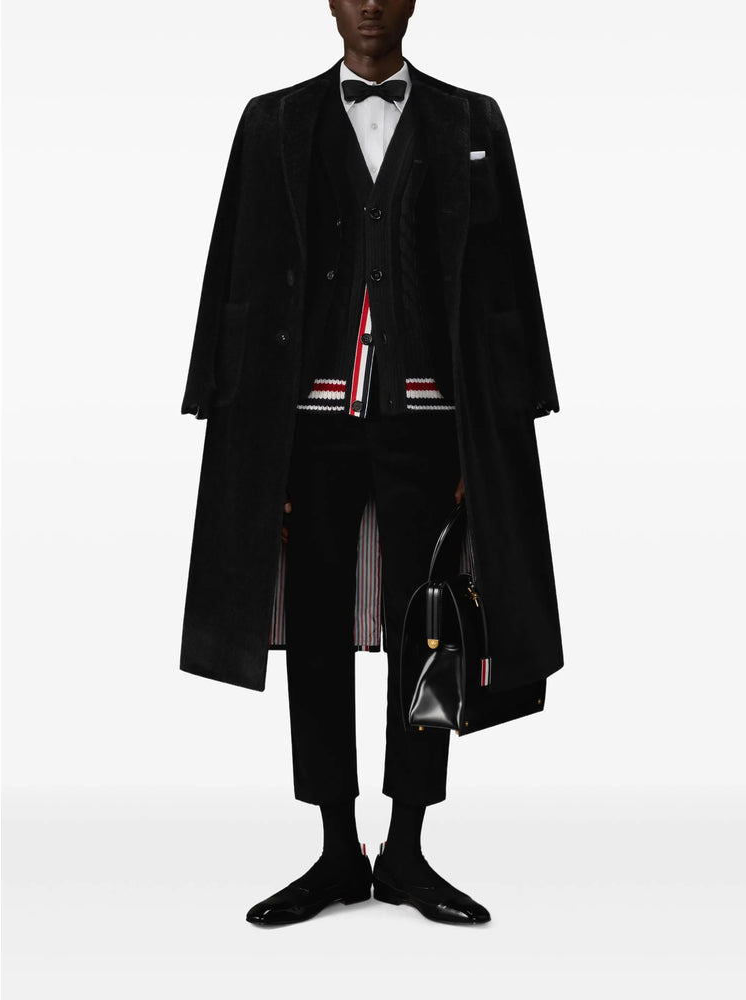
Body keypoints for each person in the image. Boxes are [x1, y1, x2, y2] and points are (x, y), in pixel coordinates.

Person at [179, 0, 562, 927]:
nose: (370, 7)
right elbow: (234, 263)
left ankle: (409, 850)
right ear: (329, 2)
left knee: (429, 633)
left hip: (430, 422)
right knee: (313, 631)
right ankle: (336, 851)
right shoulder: (271, 121)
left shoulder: (472, 119)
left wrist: (501, 426)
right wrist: (228, 416)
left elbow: (505, 273)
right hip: (304, 425)